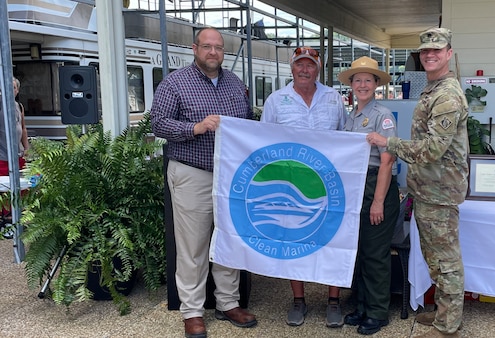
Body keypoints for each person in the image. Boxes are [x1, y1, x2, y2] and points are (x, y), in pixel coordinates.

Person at [151, 27, 257, 338]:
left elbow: (248, 120)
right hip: (192, 172)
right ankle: (193, 311)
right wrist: (195, 127)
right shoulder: (175, 83)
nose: (213, 52)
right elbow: (157, 122)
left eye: (218, 48)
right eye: (207, 47)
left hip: (230, 176)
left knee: (228, 240)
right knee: (193, 246)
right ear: (195, 48)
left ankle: (227, 303)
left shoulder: (236, 84)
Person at [367, 28, 468, 338]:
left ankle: (449, 325)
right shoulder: (433, 89)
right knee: (435, 257)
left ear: (449, 53)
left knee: (446, 260)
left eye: (437, 50)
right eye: (425, 51)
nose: (430, 55)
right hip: (428, 188)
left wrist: (390, 143)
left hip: (440, 190)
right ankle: (442, 314)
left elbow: (434, 148)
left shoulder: (447, 95)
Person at [260, 46, 346, 328]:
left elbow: (345, 139)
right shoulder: (276, 100)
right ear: (292, 68)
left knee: (332, 239)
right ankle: (298, 299)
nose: (305, 69)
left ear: (318, 68)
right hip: (292, 184)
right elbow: (264, 140)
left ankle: (334, 300)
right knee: (294, 238)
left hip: (328, 182)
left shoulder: (333, 99)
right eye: (300, 65)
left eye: (310, 65)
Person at [336, 56, 400, 335]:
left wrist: (377, 202)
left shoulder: (381, 115)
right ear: (351, 85)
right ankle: (362, 305)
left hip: (377, 188)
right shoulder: (352, 115)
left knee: (375, 253)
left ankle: (377, 312)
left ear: (376, 84)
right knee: (360, 251)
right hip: (356, 187)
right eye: (357, 79)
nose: (362, 84)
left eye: (368, 80)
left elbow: (387, 161)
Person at [0, 76, 29, 176]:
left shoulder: (19, 106)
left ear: (17, 90)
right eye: (7, 87)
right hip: (2, 157)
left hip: (18, 155)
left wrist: (26, 148)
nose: (10, 90)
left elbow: (23, 128)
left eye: (13, 87)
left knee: (22, 187)